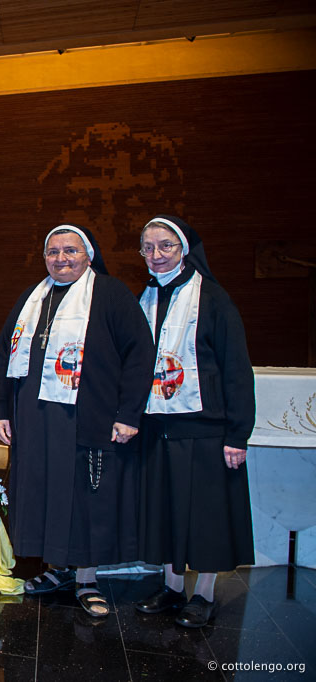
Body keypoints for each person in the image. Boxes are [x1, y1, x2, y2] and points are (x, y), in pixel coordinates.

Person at [0, 224, 154, 617]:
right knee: (45, 493)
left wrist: (129, 414)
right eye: (53, 253)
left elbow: (140, 355)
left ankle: (86, 579)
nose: (61, 259)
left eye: (70, 251)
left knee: (84, 497)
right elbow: (4, 354)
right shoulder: (33, 297)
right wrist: (3, 409)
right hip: (36, 419)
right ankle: (56, 568)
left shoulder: (110, 294)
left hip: (85, 418)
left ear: (89, 254)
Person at [133, 215, 255, 628]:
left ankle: (202, 594)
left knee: (205, 516)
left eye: (165, 246)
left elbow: (236, 369)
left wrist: (238, 433)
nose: (156, 255)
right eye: (148, 248)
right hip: (157, 427)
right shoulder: (144, 298)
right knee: (165, 510)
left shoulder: (214, 299)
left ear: (184, 248)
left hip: (205, 428)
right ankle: (171, 587)